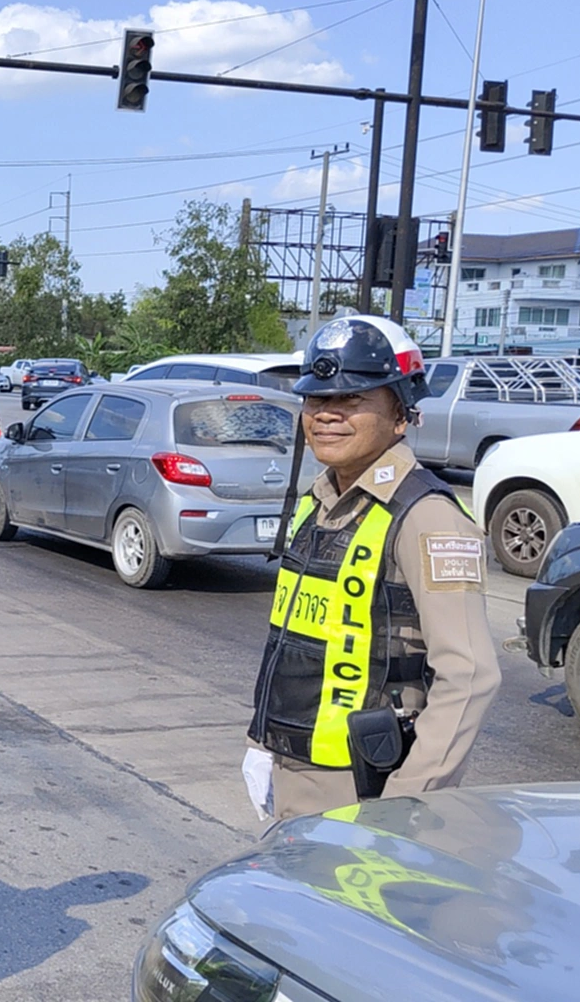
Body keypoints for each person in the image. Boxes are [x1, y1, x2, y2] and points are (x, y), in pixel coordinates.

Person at [248, 314, 501, 821]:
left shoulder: (426, 517)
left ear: (401, 415)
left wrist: (406, 802)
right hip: (294, 767)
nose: (327, 414)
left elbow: (470, 675)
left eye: (351, 400)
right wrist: (262, 745)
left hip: (365, 787)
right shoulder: (319, 501)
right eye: (316, 399)